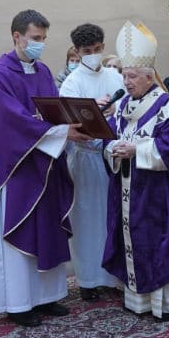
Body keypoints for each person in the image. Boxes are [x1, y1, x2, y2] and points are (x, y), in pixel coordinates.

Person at [0, 9, 85, 328]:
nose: (40, 44)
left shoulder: (44, 71)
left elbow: (54, 110)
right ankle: (18, 303)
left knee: (46, 229)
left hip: (45, 164)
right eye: (36, 38)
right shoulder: (0, 76)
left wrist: (74, 121)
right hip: (15, 169)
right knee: (18, 232)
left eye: (44, 38)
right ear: (17, 36)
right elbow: (12, 122)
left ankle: (47, 297)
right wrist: (60, 132)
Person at [103, 20, 169, 318]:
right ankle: (138, 301)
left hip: (157, 195)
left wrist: (137, 150)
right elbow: (107, 137)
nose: (126, 81)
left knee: (158, 242)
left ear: (149, 77)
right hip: (127, 189)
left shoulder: (167, 107)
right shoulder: (122, 106)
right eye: (124, 75)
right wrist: (113, 148)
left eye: (132, 76)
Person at [59, 23, 124, 301]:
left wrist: (115, 109)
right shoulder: (72, 83)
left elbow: (128, 108)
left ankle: (112, 276)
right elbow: (66, 122)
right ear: (77, 52)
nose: (93, 55)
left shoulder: (115, 77)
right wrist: (91, 111)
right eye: (87, 51)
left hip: (113, 156)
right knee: (87, 221)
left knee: (111, 218)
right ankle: (88, 280)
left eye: (98, 49)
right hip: (85, 157)